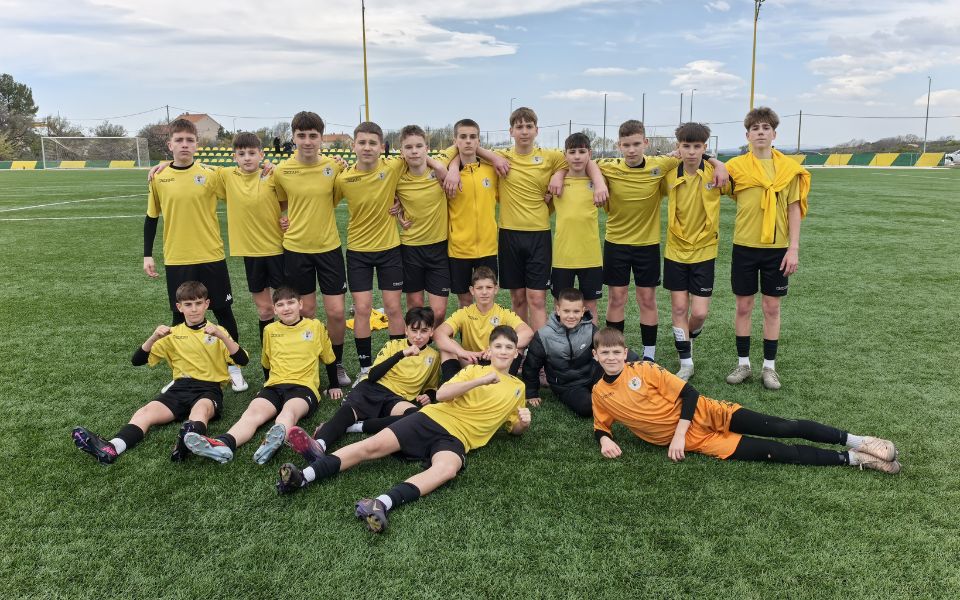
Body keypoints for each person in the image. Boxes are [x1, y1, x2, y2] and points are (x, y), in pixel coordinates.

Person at [277, 325, 532, 535]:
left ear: (516, 353)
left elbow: (514, 429)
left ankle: (381, 504)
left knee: (447, 469)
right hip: (431, 418)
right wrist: (481, 380)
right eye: (498, 346)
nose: (503, 351)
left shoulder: (517, 388)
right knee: (372, 446)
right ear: (490, 349)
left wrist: (523, 423)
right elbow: (443, 394)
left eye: (509, 347)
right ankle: (304, 476)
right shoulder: (474, 371)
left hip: (458, 439)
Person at [590, 327, 900, 474]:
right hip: (702, 442)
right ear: (596, 356)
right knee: (773, 452)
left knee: (780, 426)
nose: (612, 357)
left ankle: (860, 441)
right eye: (605, 353)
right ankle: (856, 459)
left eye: (617, 352)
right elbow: (601, 426)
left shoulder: (644, 369)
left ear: (625, 353)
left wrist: (678, 436)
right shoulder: (600, 393)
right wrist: (604, 440)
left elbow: (689, 394)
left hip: (710, 414)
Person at [552, 120, 727, 361]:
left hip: (648, 245)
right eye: (626, 145)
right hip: (616, 244)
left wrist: (718, 163)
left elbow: (690, 153)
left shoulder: (660, 164)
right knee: (617, 298)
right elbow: (580, 161)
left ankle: (649, 355)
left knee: (647, 299)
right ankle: (614, 352)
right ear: (619, 146)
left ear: (645, 143)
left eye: (636, 144)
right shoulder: (608, 167)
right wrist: (564, 175)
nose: (632, 150)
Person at [444, 107, 606, 332]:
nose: (524, 131)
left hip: (538, 235)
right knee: (518, 298)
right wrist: (454, 168)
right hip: (509, 235)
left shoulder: (550, 157)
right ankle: (521, 346)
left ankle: (539, 348)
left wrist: (563, 175)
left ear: (536, 130)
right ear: (511, 131)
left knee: (537, 299)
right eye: (519, 127)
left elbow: (585, 160)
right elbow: (463, 150)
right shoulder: (500, 157)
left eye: (529, 126)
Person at [72, 281, 249, 464]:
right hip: (180, 388)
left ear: (207, 304)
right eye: (188, 304)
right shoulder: (172, 334)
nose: (194, 309)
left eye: (198, 303)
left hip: (209, 389)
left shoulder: (218, 331)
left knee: (201, 410)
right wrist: (154, 337)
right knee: (146, 412)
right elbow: (137, 360)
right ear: (179, 307)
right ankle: (112, 448)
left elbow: (243, 360)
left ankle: (187, 442)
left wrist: (221, 336)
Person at [142, 118, 248, 391]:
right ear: (170, 145)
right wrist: (147, 255)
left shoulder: (211, 174)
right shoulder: (159, 177)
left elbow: (243, 178)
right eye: (179, 140)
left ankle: (233, 367)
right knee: (180, 318)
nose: (184, 145)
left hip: (211, 255)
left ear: (197, 145)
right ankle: (182, 372)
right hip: (177, 258)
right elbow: (151, 218)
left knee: (223, 312)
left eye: (189, 140)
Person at [335, 121, 446, 377]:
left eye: (372, 143)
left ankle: (398, 361)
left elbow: (420, 155)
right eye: (362, 142)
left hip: (391, 250)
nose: (367, 147)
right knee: (362, 309)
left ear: (382, 147)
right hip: (358, 251)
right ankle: (365, 368)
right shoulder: (343, 178)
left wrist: (440, 167)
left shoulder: (394, 166)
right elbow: (321, 199)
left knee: (394, 308)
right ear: (353, 146)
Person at [183, 286, 341, 464]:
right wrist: (266, 386)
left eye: (290, 303)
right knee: (251, 414)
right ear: (274, 309)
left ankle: (272, 441)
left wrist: (334, 385)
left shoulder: (315, 326)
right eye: (280, 305)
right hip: (274, 386)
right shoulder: (269, 330)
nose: (286, 308)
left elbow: (329, 358)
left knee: (288, 412)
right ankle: (223, 444)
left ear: (300, 304)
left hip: (303, 387)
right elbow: (266, 363)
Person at [723, 107, 810, 390]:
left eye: (765, 128)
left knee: (772, 307)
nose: (760, 132)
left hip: (777, 249)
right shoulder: (735, 166)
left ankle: (769, 367)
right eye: (755, 128)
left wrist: (793, 248)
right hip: (744, 246)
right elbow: (714, 179)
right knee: (743, 306)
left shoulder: (788, 169)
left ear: (774, 134)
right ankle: (743, 363)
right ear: (747, 135)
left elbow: (794, 209)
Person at [285, 307, 439, 458]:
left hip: (397, 399)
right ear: (406, 330)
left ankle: (353, 427)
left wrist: (428, 395)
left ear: (431, 331)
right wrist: (402, 354)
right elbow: (373, 375)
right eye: (414, 330)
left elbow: (431, 386)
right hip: (372, 388)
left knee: (417, 416)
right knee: (346, 413)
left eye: (424, 331)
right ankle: (319, 445)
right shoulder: (394, 346)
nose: (418, 336)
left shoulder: (434, 356)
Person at [272, 111, 351, 388]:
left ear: (321, 138)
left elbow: (337, 197)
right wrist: (283, 219)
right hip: (296, 250)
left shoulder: (334, 167)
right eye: (301, 135)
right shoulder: (282, 171)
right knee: (307, 312)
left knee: (337, 312)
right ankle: (310, 363)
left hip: (329, 248)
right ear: (293, 137)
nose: (307, 141)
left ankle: (336, 363)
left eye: (313, 136)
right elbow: (280, 203)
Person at [662, 123, 732, 381]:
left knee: (700, 313)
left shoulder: (715, 172)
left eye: (697, 146)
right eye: (686, 146)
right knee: (679, 308)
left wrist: (719, 163)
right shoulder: (669, 173)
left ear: (705, 147)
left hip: (704, 251)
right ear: (678, 147)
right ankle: (686, 362)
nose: (691, 152)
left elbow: (735, 187)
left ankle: (688, 338)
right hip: (675, 251)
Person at [435, 118, 499, 309]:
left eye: (473, 137)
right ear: (455, 141)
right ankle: (467, 331)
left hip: (488, 248)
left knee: (486, 300)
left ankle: (486, 330)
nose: (468, 141)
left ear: (479, 140)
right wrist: (454, 167)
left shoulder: (491, 170)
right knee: (464, 301)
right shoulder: (446, 174)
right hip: (459, 249)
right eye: (463, 137)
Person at [392, 125, 451, 326]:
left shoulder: (439, 171)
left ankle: (435, 342)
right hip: (411, 249)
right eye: (408, 147)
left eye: (419, 146)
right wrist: (398, 213)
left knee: (439, 312)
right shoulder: (398, 178)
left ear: (427, 148)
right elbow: (387, 200)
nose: (414, 151)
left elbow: (458, 148)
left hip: (439, 248)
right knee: (415, 307)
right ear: (402, 151)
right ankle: (417, 345)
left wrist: (439, 166)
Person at [432, 266, 532, 383]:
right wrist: (462, 352)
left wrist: (496, 349)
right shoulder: (464, 313)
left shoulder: (504, 313)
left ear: (496, 289)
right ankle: (453, 385)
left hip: (496, 360)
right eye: (479, 288)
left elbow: (528, 333)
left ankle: (503, 382)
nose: (484, 292)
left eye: (489, 287)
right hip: (471, 361)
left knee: (517, 347)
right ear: (472, 290)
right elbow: (438, 334)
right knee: (448, 347)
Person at [549, 132, 603, 322]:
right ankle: (560, 341)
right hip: (563, 257)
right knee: (560, 305)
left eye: (582, 151)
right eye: (572, 152)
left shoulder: (598, 181)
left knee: (590, 306)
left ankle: (590, 341)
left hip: (591, 256)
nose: (577, 157)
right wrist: (558, 174)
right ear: (565, 155)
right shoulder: (556, 183)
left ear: (590, 153)